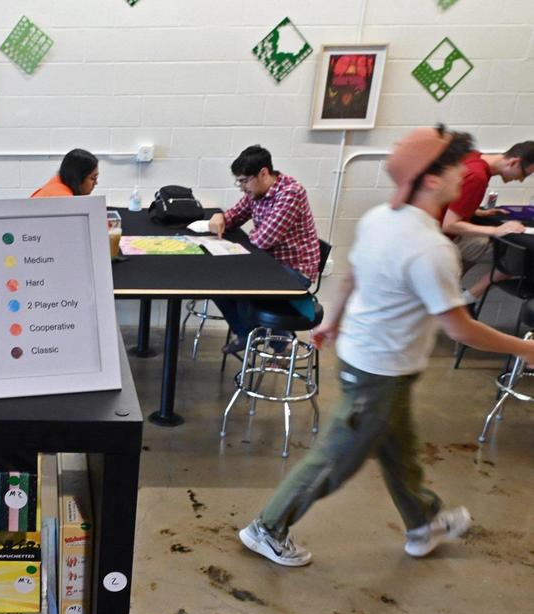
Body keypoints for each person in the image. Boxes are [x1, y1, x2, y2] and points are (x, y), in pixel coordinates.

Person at [237, 126, 534, 568]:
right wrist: (525, 349)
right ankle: (267, 527)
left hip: (375, 363)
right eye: (455, 167)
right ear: (431, 179)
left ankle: (422, 524)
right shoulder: (431, 248)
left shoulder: (380, 218)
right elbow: (460, 330)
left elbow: (354, 275)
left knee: (400, 451)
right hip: (379, 371)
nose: (464, 174)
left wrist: (333, 322)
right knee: (334, 461)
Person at [208, 145, 321, 353]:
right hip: (268, 263)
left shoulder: (291, 193)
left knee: (242, 286)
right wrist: (220, 217)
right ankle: (247, 333)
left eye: (244, 181)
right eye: (238, 181)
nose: (242, 187)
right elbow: (234, 216)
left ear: (263, 173)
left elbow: (263, 240)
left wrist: (238, 238)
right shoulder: (256, 192)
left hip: (295, 270)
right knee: (217, 283)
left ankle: (280, 342)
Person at [440, 140, 534, 300]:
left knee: (482, 242)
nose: (520, 180)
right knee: (516, 256)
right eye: (524, 174)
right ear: (514, 162)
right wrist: (496, 230)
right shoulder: (478, 177)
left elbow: (449, 201)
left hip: (427, 229)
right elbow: (449, 225)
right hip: (441, 238)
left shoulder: (473, 157)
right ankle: (466, 299)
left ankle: (449, 292)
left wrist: (475, 211)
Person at [31, 149, 99, 197]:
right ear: (78, 177)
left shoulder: (55, 185)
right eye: (93, 178)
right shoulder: (63, 198)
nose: (96, 183)